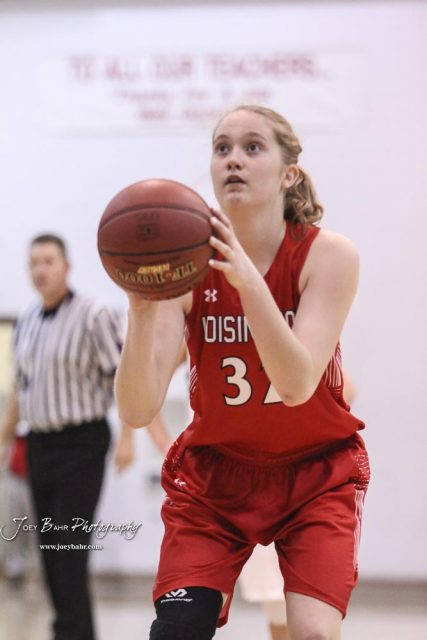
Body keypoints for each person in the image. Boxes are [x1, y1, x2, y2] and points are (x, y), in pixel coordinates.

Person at [115, 104, 370, 640]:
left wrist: (248, 279)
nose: (233, 159)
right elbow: (137, 409)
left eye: (253, 147)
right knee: (176, 631)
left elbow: (296, 385)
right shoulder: (186, 267)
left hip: (315, 473)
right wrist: (141, 307)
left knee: (311, 632)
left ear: (289, 173)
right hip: (216, 477)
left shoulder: (329, 256)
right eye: (222, 148)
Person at [0, 233, 134, 640]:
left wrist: (129, 436)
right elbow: (21, 390)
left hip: (82, 443)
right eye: (34, 262)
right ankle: (68, 631)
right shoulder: (26, 322)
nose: (40, 269)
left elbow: (123, 378)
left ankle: (74, 634)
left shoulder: (94, 315)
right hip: (39, 445)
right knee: (50, 553)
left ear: (66, 266)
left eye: (48, 261)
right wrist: (4, 438)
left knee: (69, 551)